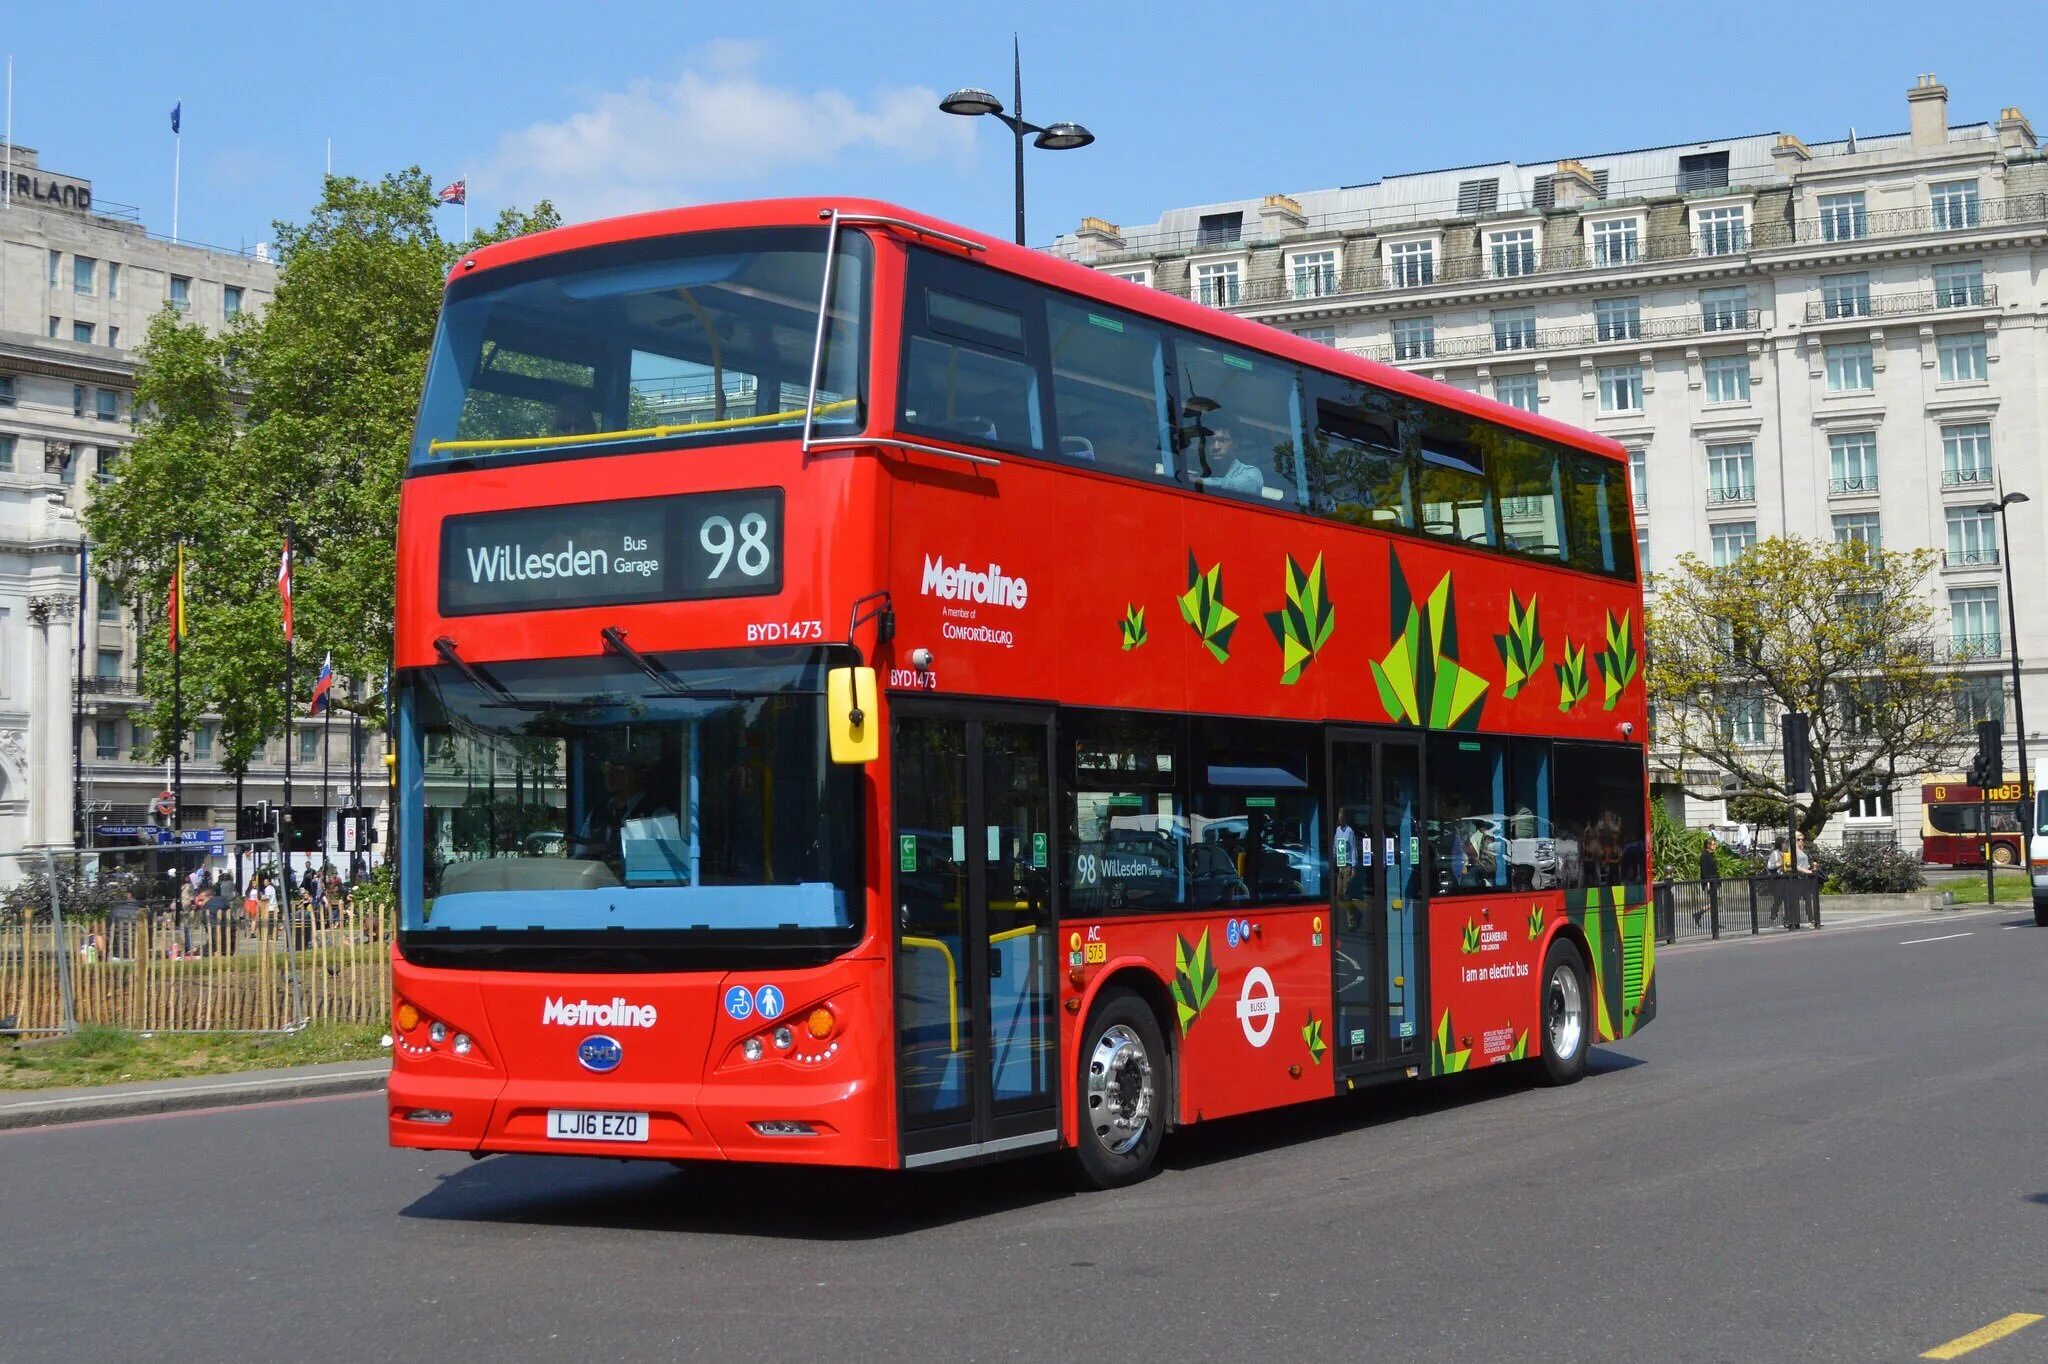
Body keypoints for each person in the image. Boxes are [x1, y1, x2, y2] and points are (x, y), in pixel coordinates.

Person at [1695, 835, 1721, 928]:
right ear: (1708, 845)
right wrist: (1707, 883)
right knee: (1714, 902)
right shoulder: (1704, 856)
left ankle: (1699, 913)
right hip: (1710, 881)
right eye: (1713, 844)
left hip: (1714, 881)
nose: (1715, 846)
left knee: (1715, 902)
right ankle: (1714, 924)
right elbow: (1704, 870)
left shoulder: (1710, 855)